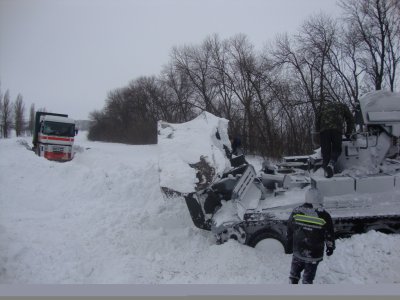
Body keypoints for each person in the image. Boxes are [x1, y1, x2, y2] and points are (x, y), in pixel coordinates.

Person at [286, 187, 335, 284]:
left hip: (298, 252)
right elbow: (329, 233)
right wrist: (330, 247)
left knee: (293, 277)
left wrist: (288, 244)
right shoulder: (324, 215)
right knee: (307, 280)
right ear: (320, 199)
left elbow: (290, 230)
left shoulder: (296, 211)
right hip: (313, 254)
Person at [315, 100, 355, 178]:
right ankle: (332, 163)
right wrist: (348, 133)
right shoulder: (342, 106)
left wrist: (318, 131)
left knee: (325, 151)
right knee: (337, 149)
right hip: (336, 130)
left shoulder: (323, 107)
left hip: (324, 130)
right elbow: (350, 119)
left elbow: (317, 120)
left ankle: (326, 171)